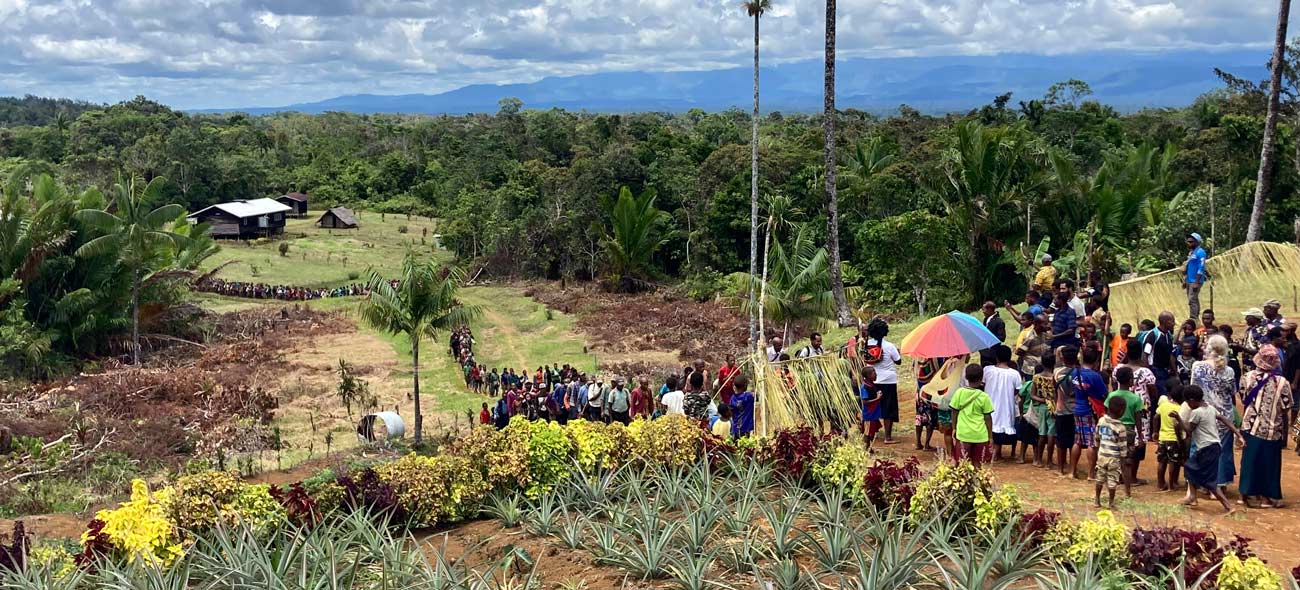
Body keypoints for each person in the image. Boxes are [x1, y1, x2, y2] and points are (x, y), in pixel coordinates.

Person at [1173, 384, 1243, 514]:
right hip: (1214, 446)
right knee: (1189, 467)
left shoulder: (1196, 413)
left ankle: (1228, 506)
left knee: (1209, 481)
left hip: (1206, 449)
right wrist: (1238, 434)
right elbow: (1225, 420)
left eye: (1187, 402)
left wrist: (1178, 419)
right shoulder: (1210, 408)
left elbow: (1188, 430)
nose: (1187, 405)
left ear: (1192, 400)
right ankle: (1192, 496)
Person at [1238, 345, 1293, 508]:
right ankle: (1266, 498)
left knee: (1249, 460)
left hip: (1250, 426)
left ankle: (1244, 494)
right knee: (1269, 463)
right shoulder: (1282, 382)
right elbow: (1286, 406)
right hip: (1272, 428)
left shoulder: (1247, 377)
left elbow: (1243, 398)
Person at [1190, 335, 1238, 491]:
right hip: (1224, 416)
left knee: (1201, 447)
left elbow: (1194, 389)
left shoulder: (1198, 366)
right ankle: (1219, 484)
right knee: (1222, 451)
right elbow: (1232, 392)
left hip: (1204, 414)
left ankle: (1201, 483)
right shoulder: (1229, 370)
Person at [1068, 346, 1108, 480]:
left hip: (1077, 408)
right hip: (1090, 411)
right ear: (1096, 360)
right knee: (1091, 442)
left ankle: (1072, 471)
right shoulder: (1095, 376)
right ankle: (1091, 474)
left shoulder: (1075, 373)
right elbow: (1103, 394)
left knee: (1077, 441)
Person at [1106, 367, 1145, 495]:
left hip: (1112, 428)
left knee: (1112, 459)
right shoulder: (1135, 398)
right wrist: (1140, 436)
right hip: (1128, 431)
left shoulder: (1112, 395)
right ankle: (1127, 491)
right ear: (1130, 381)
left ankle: (1111, 487)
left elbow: (1107, 413)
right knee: (1127, 462)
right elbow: (1138, 419)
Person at [864, 318, 903, 443]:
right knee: (888, 408)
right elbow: (898, 361)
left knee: (872, 406)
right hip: (888, 381)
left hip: (871, 380)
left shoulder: (866, 345)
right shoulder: (889, 346)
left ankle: (869, 434)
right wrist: (898, 352)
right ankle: (887, 437)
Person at [950, 364, 995, 468]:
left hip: (963, 433)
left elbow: (954, 412)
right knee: (977, 464)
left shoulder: (959, 393)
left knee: (962, 465)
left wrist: (954, 427)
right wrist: (990, 436)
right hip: (980, 435)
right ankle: (977, 484)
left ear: (966, 377)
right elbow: (988, 418)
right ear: (981, 378)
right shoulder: (984, 397)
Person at [983, 345, 1022, 461]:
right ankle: (997, 453)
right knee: (1001, 426)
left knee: (990, 426)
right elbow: (1017, 390)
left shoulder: (987, 370)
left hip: (990, 403)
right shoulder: (1015, 374)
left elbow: (983, 384)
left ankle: (992, 453)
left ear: (996, 357)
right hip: (1006, 405)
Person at [1095, 396, 1130, 508]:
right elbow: (1122, 445)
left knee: (1099, 478)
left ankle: (1097, 500)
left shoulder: (1101, 421)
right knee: (1112, 480)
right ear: (1121, 411)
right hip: (1114, 458)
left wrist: (1097, 448)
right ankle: (1111, 502)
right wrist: (1123, 459)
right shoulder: (1120, 427)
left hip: (1101, 455)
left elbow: (1097, 437)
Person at [1154, 384, 1185, 491]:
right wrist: (1181, 440)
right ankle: (1172, 483)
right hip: (1174, 439)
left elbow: (1155, 417)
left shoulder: (1164, 405)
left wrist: (1155, 432)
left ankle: (1160, 482)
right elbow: (1177, 426)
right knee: (1173, 462)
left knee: (1161, 462)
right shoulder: (1180, 409)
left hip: (1162, 438)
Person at [1028, 353, 1056, 468]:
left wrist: (1042, 400)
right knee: (1051, 435)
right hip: (1053, 407)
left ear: (1042, 363)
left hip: (1042, 407)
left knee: (1041, 434)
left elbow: (1032, 395)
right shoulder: (1055, 377)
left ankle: (1038, 459)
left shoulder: (1037, 377)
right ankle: (1049, 461)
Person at [1144, 312, 1177, 395]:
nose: (1174, 324)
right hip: (1155, 370)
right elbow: (1145, 355)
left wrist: (1175, 372)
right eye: (1172, 321)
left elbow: (1170, 354)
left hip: (1166, 371)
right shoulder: (1153, 335)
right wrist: (1148, 374)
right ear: (1164, 321)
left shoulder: (1169, 335)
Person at [914, 357, 943, 451]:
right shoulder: (937, 358)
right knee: (930, 419)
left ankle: (918, 442)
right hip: (931, 393)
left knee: (919, 417)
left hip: (920, 391)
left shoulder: (917, 358)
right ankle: (927, 444)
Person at [1183, 233, 1208, 319]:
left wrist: (1196, 282)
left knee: (1192, 299)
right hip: (1189, 280)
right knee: (1193, 299)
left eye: (1191, 241)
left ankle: (1193, 318)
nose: (1188, 243)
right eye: (1188, 241)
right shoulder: (1191, 253)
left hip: (1196, 280)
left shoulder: (1201, 252)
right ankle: (1195, 316)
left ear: (1196, 242)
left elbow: (1201, 267)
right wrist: (1185, 280)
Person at [860, 366, 883, 451]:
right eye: (874, 373)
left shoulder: (871, 384)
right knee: (867, 432)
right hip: (869, 414)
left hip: (873, 413)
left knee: (872, 431)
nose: (876, 374)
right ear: (869, 375)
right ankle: (866, 449)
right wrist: (877, 398)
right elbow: (865, 401)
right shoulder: (865, 387)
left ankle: (869, 448)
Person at [980, 302, 1007, 367]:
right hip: (984, 352)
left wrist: (989, 338)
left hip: (992, 354)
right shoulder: (986, 319)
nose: (983, 312)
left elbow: (1002, 337)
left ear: (989, 309)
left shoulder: (999, 321)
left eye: (984, 309)